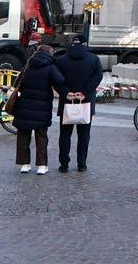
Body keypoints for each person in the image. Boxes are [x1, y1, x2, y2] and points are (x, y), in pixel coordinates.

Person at [14, 44, 66, 174]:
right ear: (50, 53)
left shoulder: (28, 66)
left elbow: (17, 84)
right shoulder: (50, 67)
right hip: (42, 107)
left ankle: (25, 164)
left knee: (23, 136)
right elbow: (60, 81)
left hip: (24, 106)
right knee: (41, 136)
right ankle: (42, 166)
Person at [54, 35, 102, 172]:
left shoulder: (62, 60)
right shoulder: (94, 59)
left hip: (67, 103)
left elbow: (57, 80)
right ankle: (82, 164)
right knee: (84, 136)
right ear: (85, 44)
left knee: (64, 136)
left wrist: (66, 92)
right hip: (85, 103)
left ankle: (64, 165)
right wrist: (85, 92)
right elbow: (98, 76)